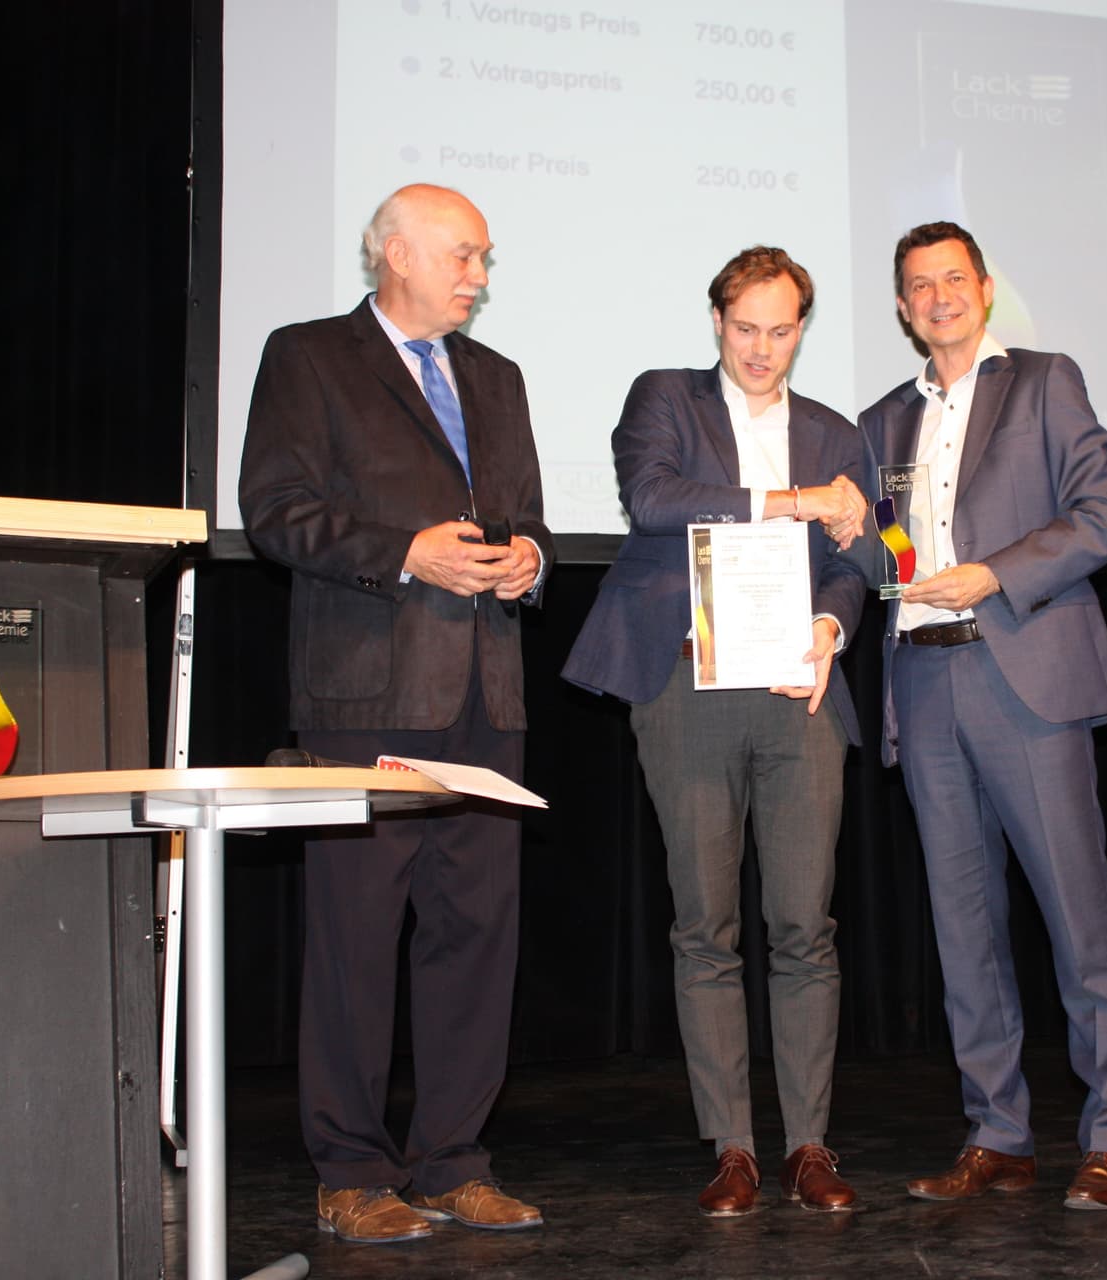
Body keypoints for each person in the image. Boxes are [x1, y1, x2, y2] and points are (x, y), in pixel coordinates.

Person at [239, 183, 553, 1243]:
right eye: (464, 254)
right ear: (397, 254)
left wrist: (531, 559)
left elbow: (529, 518)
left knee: (476, 937)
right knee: (355, 941)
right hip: (367, 695)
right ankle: (351, 1172)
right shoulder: (309, 356)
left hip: (486, 692)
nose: (479, 275)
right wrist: (404, 553)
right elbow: (275, 510)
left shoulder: (498, 377)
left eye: (485, 257)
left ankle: (455, 1161)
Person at [562, 246, 868, 1217]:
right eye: (744, 328)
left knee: (805, 925)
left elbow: (857, 562)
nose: (761, 349)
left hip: (797, 694)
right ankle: (733, 1146)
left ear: (802, 330)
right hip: (685, 685)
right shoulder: (665, 398)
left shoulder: (836, 433)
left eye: (779, 330)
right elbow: (653, 501)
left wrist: (830, 627)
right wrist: (795, 502)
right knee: (706, 926)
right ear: (716, 322)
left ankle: (809, 1143)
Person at [859, 221, 1107, 1211]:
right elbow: (889, 549)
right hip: (922, 679)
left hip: (1025, 672)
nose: (938, 297)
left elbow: (1104, 518)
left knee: (1078, 914)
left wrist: (993, 573)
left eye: (953, 278)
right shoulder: (881, 421)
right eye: (919, 285)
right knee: (964, 927)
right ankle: (999, 1132)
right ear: (903, 308)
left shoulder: (1044, 382)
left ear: (984, 289)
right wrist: (849, 535)